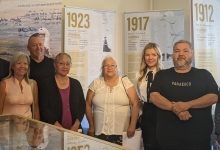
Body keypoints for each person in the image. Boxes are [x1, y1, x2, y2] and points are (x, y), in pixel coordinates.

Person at [150, 40, 218, 150]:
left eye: (185, 51)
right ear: (173, 55)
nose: (181, 54)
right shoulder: (162, 75)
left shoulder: (204, 75)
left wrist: (188, 105)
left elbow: (214, 96)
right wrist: (176, 108)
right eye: (177, 51)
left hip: (199, 140)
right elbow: (154, 96)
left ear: (192, 54)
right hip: (168, 140)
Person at [85, 56, 139, 145]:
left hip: (123, 133)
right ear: (102, 69)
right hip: (99, 132)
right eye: (106, 65)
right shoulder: (96, 83)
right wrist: (91, 125)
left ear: (116, 68)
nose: (109, 68)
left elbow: (136, 103)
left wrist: (132, 125)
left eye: (112, 65)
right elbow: (87, 104)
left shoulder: (125, 82)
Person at [39, 53, 85, 132]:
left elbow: (82, 105)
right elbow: (45, 108)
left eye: (67, 64)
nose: (65, 66)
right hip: (53, 130)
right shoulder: (46, 84)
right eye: (61, 63)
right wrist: (58, 127)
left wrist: (76, 125)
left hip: (75, 130)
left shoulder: (76, 83)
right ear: (55, 65)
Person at [135, 43, 162, 150]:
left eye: (154, 55)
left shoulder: (164, 74)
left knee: (160, 143)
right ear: (144, 57)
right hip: (147, 111)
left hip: (161, 111)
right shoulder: (139, 74)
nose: (150, 58)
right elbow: (138, 96)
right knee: (149, 143)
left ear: (158, 56)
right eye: (147, 55)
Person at [0, 52, 40, 120]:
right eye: (18, 63)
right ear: (12, 66)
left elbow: (35, 108)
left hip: (28, 127)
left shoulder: (33, 84)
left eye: (25, 63)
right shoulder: (4, 84)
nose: (22, 66)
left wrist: (37, 126)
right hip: (8, 127)